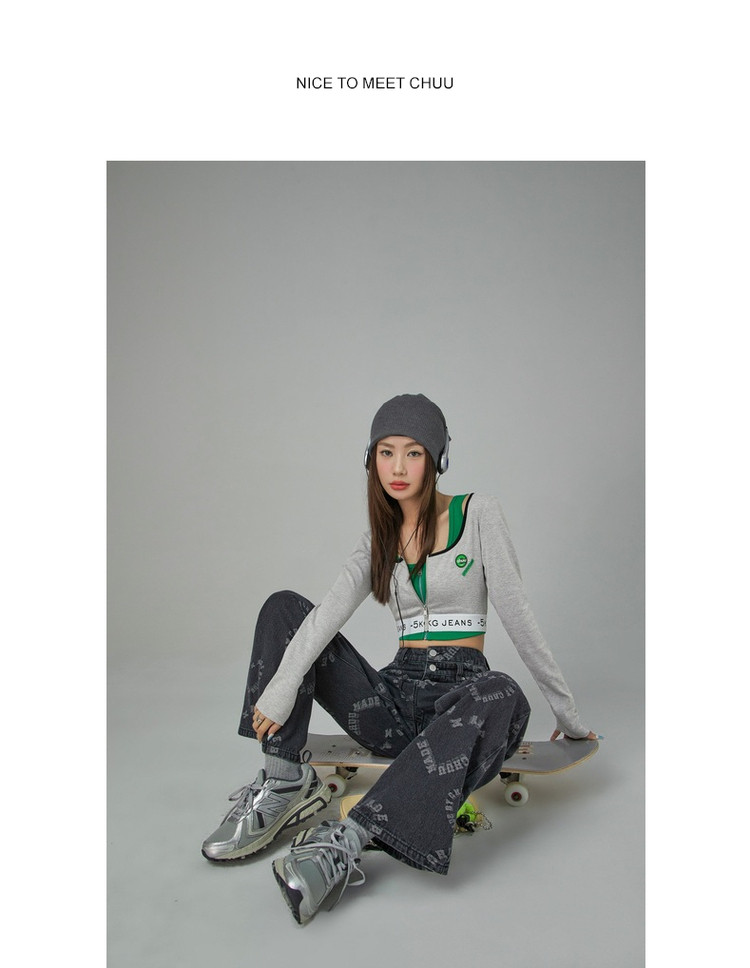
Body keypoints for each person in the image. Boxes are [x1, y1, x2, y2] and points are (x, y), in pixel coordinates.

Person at [202, 393, 597, 924]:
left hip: (460, 703)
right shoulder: (378, 540)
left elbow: (521, 622)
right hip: (392, 705)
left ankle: (345, 842)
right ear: (372, 460)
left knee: (504, 691)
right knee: (284, 609)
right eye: (386, 452)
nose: (398, 467)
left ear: (437, 458)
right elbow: (323, 619)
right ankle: (284, 779)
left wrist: (569, 718)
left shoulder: (479, 514)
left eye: (413, 453)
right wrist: (280, 687)